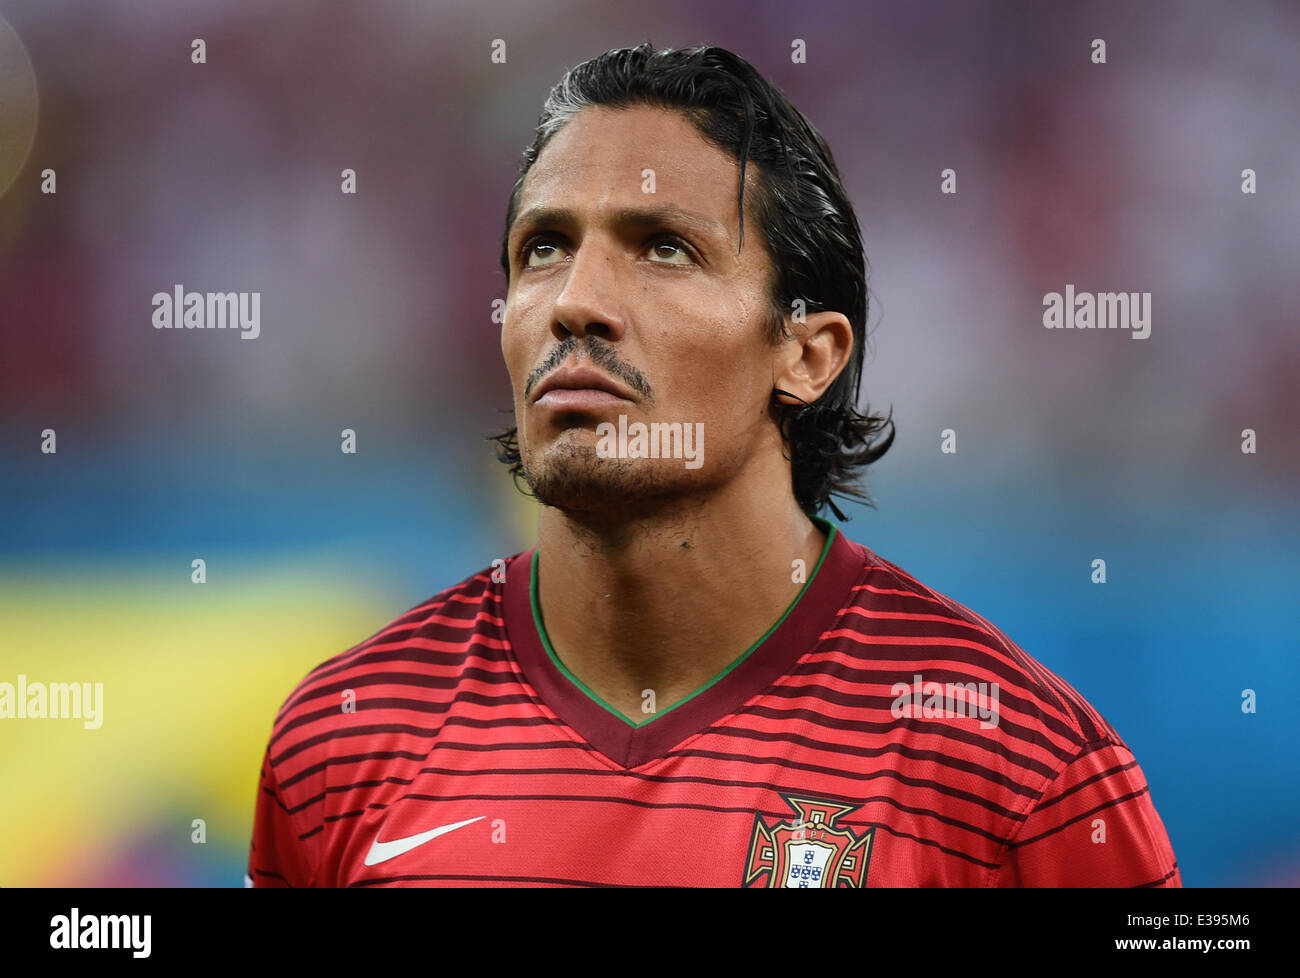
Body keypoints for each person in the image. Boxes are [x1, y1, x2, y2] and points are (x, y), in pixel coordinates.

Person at [248, 42, 1180, 887]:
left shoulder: (1023, 775)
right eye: (544, 248)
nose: (576, 304)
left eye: (663, 248)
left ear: (806, 354)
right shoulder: (344, 739)